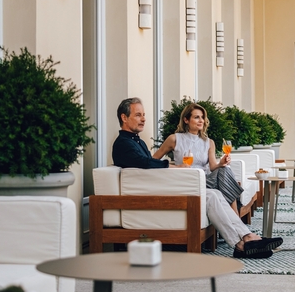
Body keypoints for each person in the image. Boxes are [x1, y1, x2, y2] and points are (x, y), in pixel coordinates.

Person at [112, 97, 282, 259]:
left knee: (214, 194)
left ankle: (244, 239)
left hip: (169, 184)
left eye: (144, 115)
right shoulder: (123, 144)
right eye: (138, 115)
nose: (143, 119)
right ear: (124, 117)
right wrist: (175, 167)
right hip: (161, 189)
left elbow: (148, 163)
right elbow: (147, 163)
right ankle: (243, 241)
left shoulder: (137, 142)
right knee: (214, 191)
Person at [153, 102, 244, 214]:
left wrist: (220, 163)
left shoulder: (209, 142)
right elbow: (153, 160)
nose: (201, 120)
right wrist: (173, 167)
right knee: (225, 178)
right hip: (185, 180)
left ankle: (235, 217)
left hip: (205, 180)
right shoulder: (174, 139)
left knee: (226, 169)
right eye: (196, 117)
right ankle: (236, 217)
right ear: (186, 120)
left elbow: (212, 167)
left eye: (202, 117)